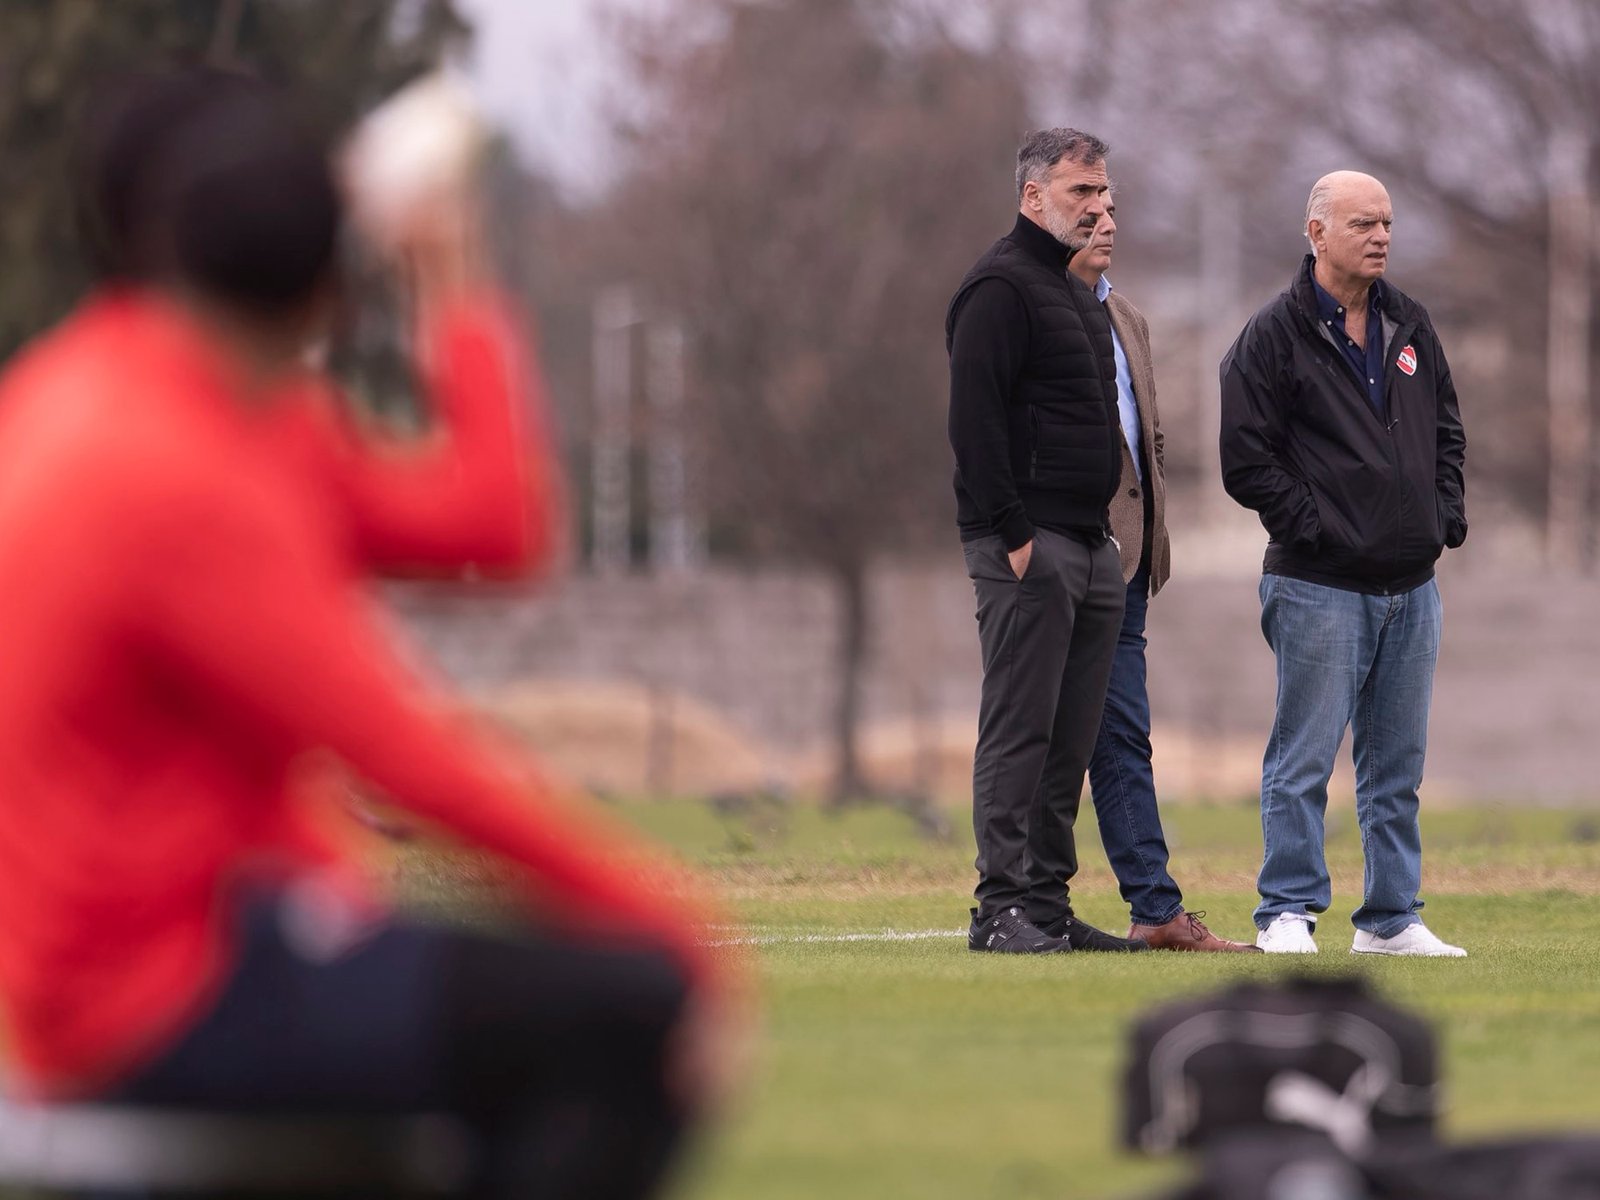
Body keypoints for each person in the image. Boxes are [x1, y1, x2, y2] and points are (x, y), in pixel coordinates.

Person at [0, 68, 743, 1199]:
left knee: (549, 1021)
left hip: (190, 932)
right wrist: (669, 929)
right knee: (629, 1014)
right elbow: (397, 750)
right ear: (327, 301)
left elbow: (491, 525)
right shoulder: (179, 468)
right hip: (162, 978)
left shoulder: (117, 394)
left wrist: (450, 278)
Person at [1219, 170, 1468, 957]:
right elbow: (1244, 461)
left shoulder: (1411, 324)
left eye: (1387, 222)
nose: (1381, 236)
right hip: (1318, 583)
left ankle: (1391, 918)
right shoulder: (1273, 335)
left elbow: (1448, 433)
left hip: (1412, 585)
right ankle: (1286, 911)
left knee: (1396, 766)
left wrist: (1443, 519)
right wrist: (1318, 527)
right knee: (1303, 760)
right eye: (1363, 224)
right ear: (1317, 232)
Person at [946, 128, 1144, 954]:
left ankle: (1046, 906)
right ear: (1034, 196)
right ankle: (1000, 911)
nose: (1098, 206)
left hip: (1090, 546)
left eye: (1103, 191)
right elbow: (974, 422)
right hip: (1030, 546)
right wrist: (1014, 534)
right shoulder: (999, 287)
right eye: (1080, 192)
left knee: (1069, 741)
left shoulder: (1073, 291)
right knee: (1019, 730)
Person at [1070, 206, 1258, 953]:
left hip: (1127, 562)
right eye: (1088, 205)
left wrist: (1150, 540)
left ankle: (1155, 909)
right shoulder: (1035, 311)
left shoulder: (1128, 317)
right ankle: (1021, 901)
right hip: (1060, 560)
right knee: (1044, 737)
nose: (1106, 221)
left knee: (1123, 735)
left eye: (1113, 206)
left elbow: (1146, 440)